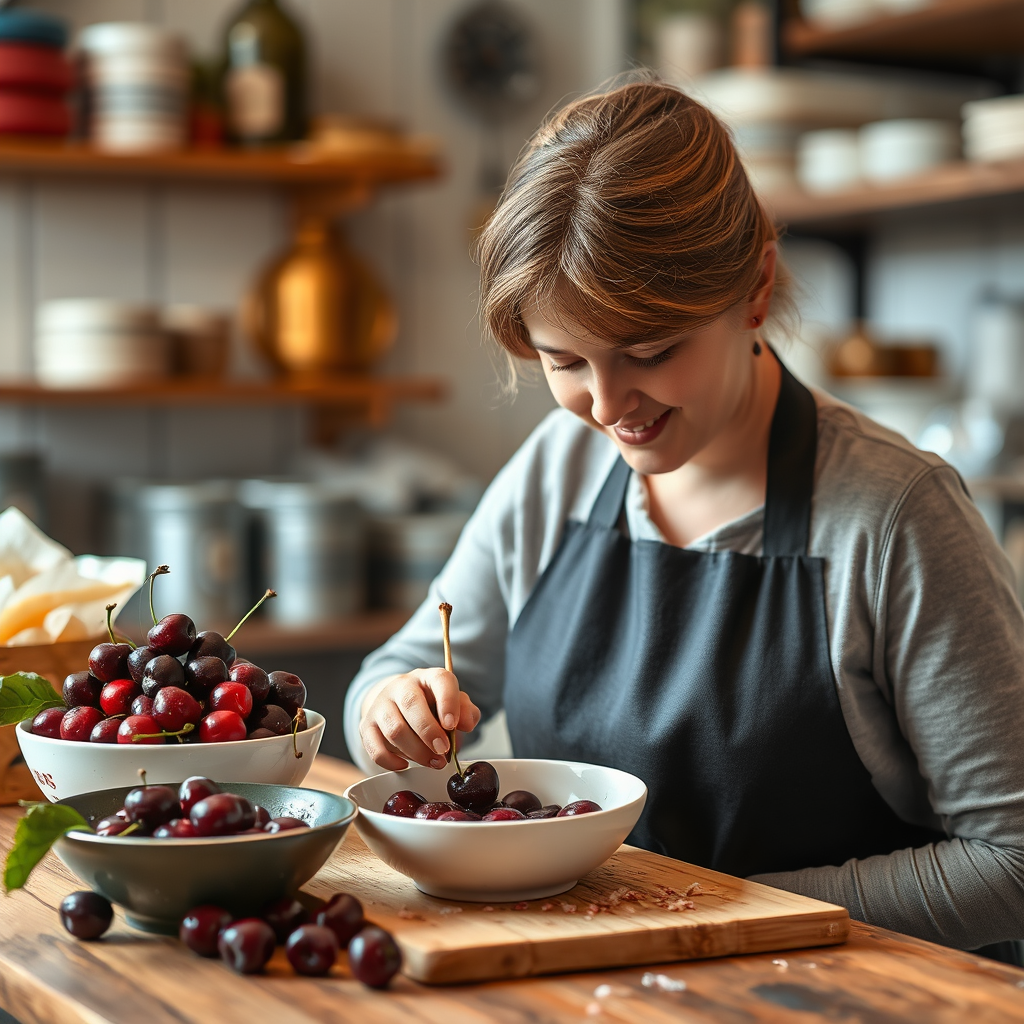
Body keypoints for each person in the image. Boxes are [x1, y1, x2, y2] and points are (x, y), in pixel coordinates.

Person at [344, 79, 1024, 958]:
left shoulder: (894, 517)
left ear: (756, 287)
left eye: (651, 351)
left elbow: (1012, 863)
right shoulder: (557, 469)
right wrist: (390, 712)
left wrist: (708, 911)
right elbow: (390, 676)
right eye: (564, 362)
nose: (606, 406)